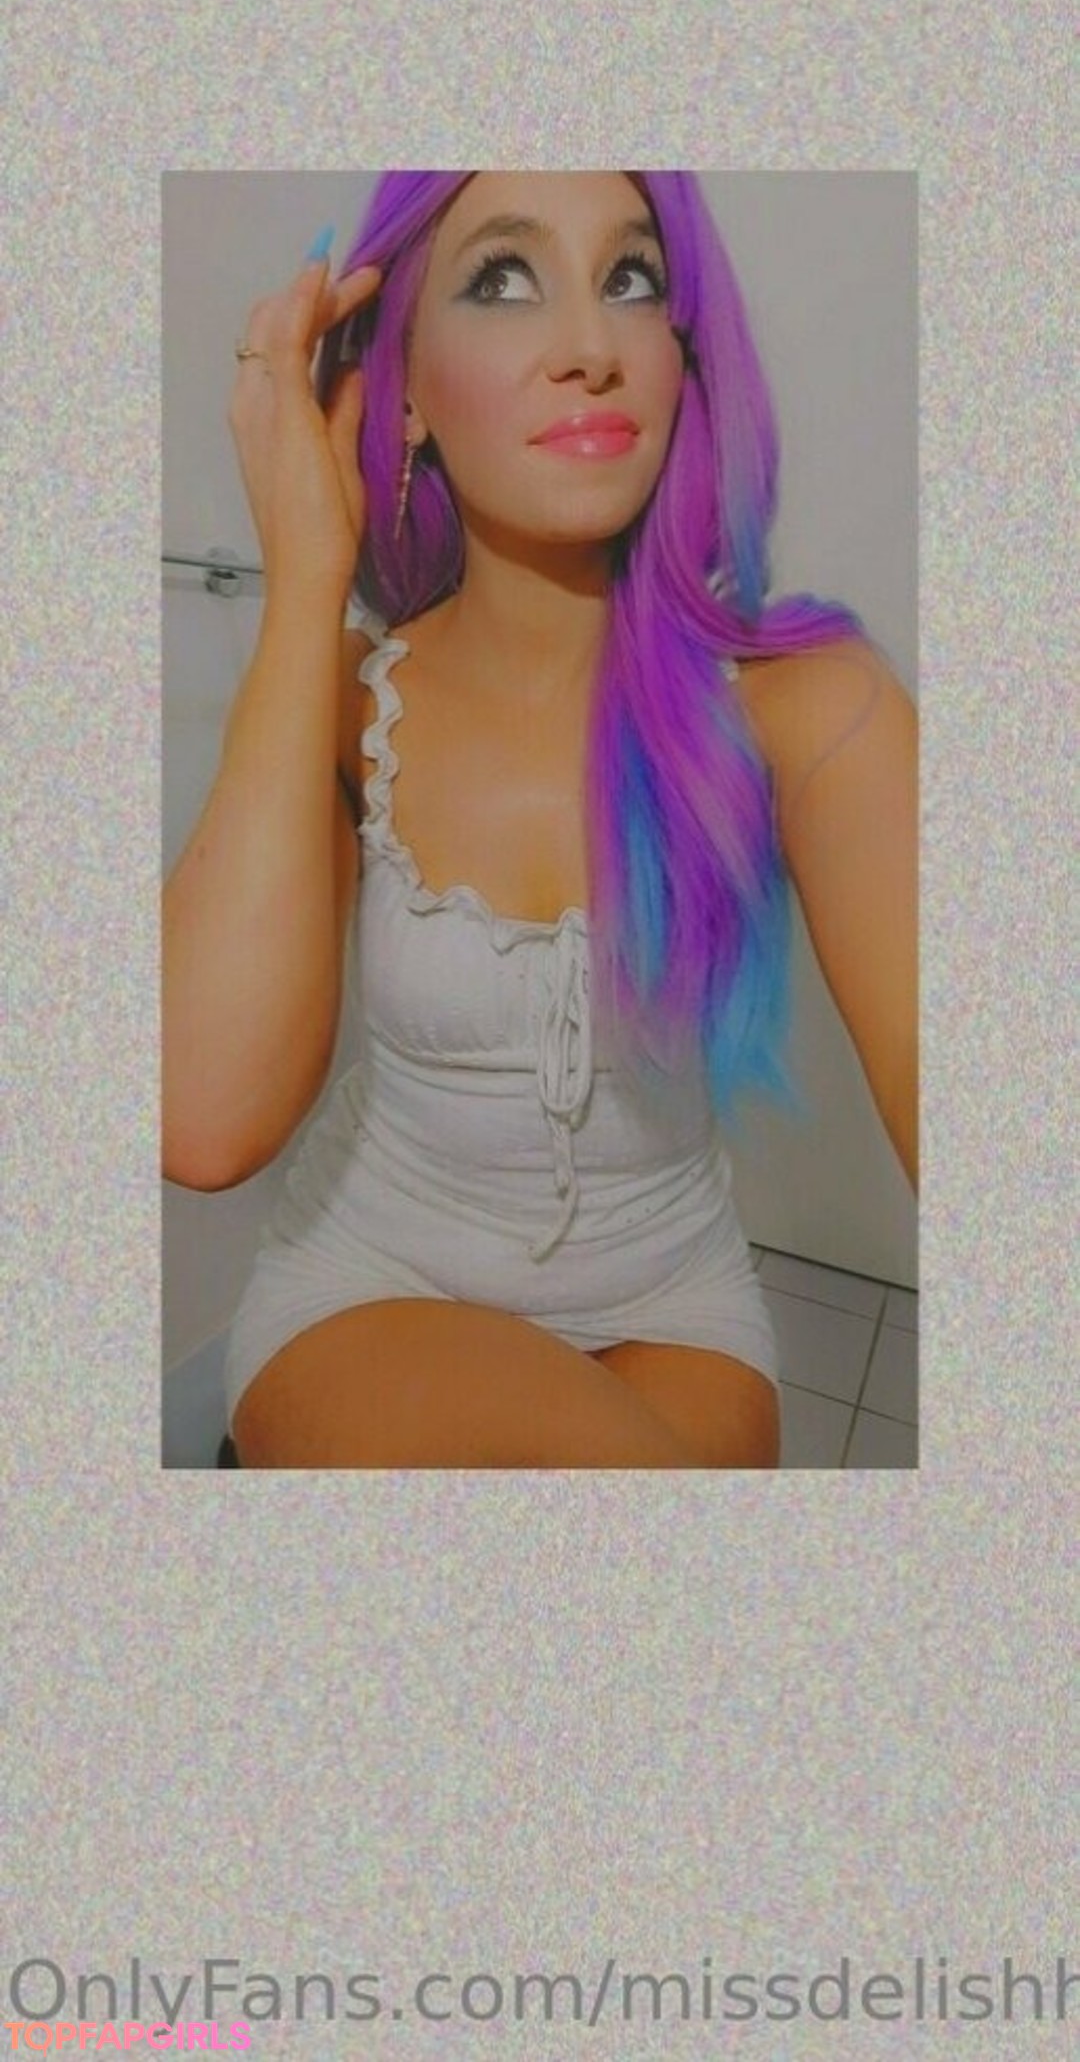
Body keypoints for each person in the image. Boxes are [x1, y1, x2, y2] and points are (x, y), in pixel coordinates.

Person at [163, 170, 916, 1471]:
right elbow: (202, 1116)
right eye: (504, 279)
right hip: (372, 1278)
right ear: (403, 393)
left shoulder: (809, 705)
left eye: (631, 278)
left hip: (676, 1305)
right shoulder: (345, 698)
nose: (590, 345)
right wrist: (305, 581)